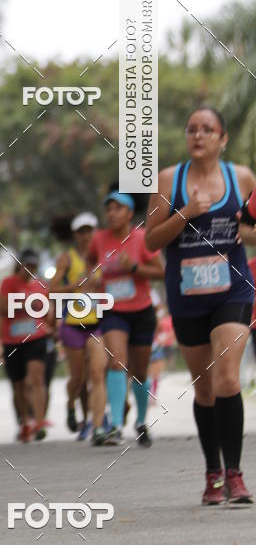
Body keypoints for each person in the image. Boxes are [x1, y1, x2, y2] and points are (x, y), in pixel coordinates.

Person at [145, 106, 256, 505]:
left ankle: (236, 475)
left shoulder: (240, 178)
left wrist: (240, 230)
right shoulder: (168, 181)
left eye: (208, 129)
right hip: (187, 297)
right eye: (192, 128)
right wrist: (186, 213)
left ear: (222, 139)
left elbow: (253, 230)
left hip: (234, 291)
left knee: (228, 379)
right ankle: (212, 472)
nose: (199, 135)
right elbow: (152, 241)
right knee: (205, 389)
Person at [86, 191, 164, 447]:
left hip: (142, 311)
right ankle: (116, 425)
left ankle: (141, 421)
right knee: (117, 361)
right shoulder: (99, 239)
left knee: (140, 371)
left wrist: (134, 268)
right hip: (113, 310)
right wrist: (93, 275)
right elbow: (90, 263)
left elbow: (160, 272)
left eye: (118, 209)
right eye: (108, 209)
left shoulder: (141, 238)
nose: (112, 213)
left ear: (130, 214)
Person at [49, 211, 109, 445]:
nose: (86, 236)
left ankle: (96, 423)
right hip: (73, 324)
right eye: (81, 231)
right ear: (74, 235)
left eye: (89, 230)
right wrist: (77, 285)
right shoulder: (67, 258)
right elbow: (52, 290)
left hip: (98, 323)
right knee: (79, 379)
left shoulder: (105, 255)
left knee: (97, 373)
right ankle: (73, 406)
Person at [0, 248, 50, 443]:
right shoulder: (8, 283)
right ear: (19, 265)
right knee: (18, 385)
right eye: (26, 265)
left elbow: (47, 313)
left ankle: (39, 421)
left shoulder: (41, 286)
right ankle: (24, 422)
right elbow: (2, 308)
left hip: (36, 337)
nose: (29, 269)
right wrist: (26, 304)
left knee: (35, 379)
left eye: (33, 265)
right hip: (12, 340)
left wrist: (51, 324)